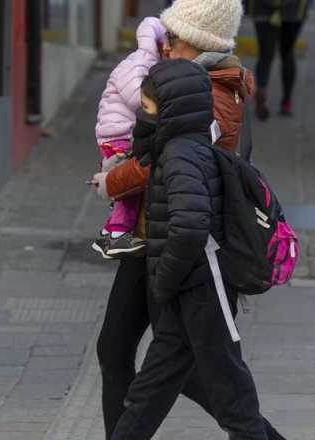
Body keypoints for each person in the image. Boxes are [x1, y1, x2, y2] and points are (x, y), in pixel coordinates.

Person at [90, 1, 286, 439]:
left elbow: (170, 162)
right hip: (155, 233)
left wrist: (111, 180)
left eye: (173, 40)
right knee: (125, 352)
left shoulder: (208, 94)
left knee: (190, 369)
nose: (165, 46)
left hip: (181, 245)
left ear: (198, 43)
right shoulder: (188, 83)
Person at [111, 58, 268, 440]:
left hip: (204, 285)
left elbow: (190, 226)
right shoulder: (180, 149)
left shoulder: (180, 156)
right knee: (152, 387)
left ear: (170, 111)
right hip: (190, 285)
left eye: (147, 108)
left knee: (231, 390)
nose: (142, 117)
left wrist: (163, 282)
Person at [92, 17, 167, 259]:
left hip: (118, 131)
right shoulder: (140, 62)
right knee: (129, 189)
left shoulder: (145, 62)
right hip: (117, 134)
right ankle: (117, 235)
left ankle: (108, 232)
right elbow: (137, 98)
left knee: (126, 184)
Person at [249, 0, 309, 119]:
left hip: (262, 8)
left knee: (265, 55)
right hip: (293, 10)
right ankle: (286, 102)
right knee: (287, 53)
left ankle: (262, 90)